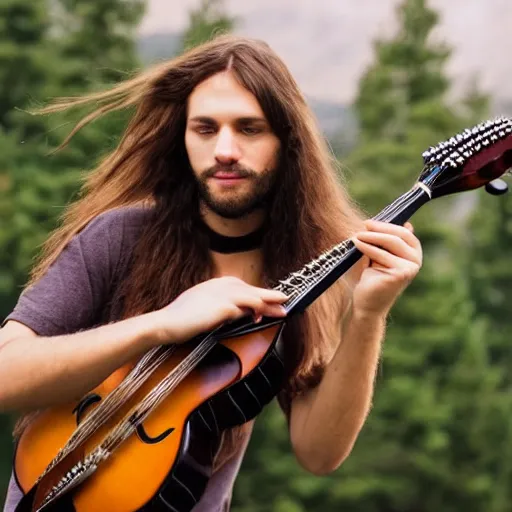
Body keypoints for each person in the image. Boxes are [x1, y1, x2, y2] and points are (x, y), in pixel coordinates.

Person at [0, 35, 422, 511]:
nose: (224, 149)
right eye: (205, 128)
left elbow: (318, 452)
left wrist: (368, 316)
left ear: (288, 142)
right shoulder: (118, 237)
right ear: (182, 139)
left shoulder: (308, 269)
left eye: (249, 129)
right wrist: (158, 325)